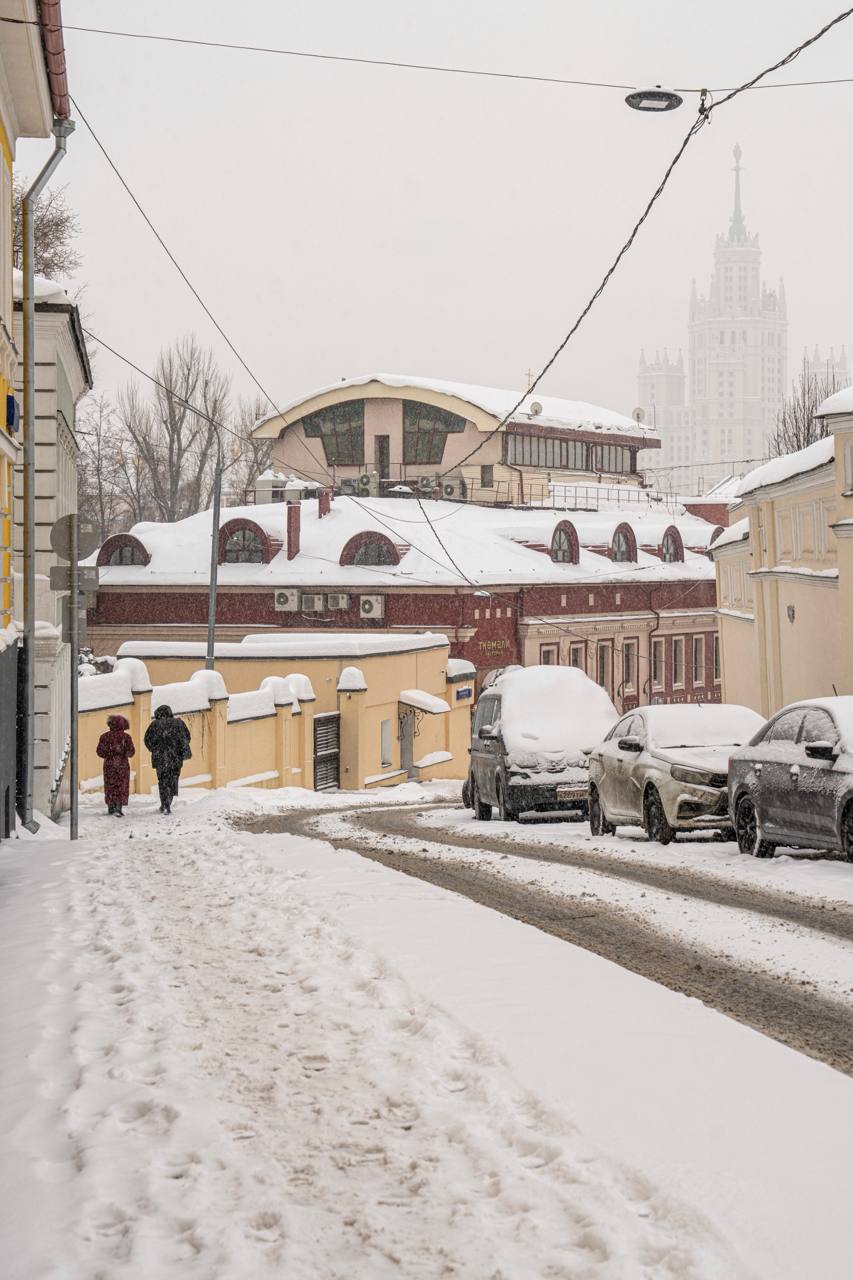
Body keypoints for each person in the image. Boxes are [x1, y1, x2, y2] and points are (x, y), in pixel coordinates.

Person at [144, 704, 191, 815]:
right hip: (175, 758)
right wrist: (177, 748)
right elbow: (187, 737)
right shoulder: (179, 723)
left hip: (160, 758)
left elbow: (147, 740)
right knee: (172, 780)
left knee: (162, 781)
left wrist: (155, 749)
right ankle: (168, 803)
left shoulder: (155, 725)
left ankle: (164, 804)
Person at [96, 714, 135, 817]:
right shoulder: (126, 737)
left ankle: (111, 806)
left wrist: (109, 754)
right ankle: (118, 807)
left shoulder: (104, 737)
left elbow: (99, 752)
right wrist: (123, 753)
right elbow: (131, 752)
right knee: (121, 786)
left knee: (110, 785)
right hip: (122, 765)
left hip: (109, 765)